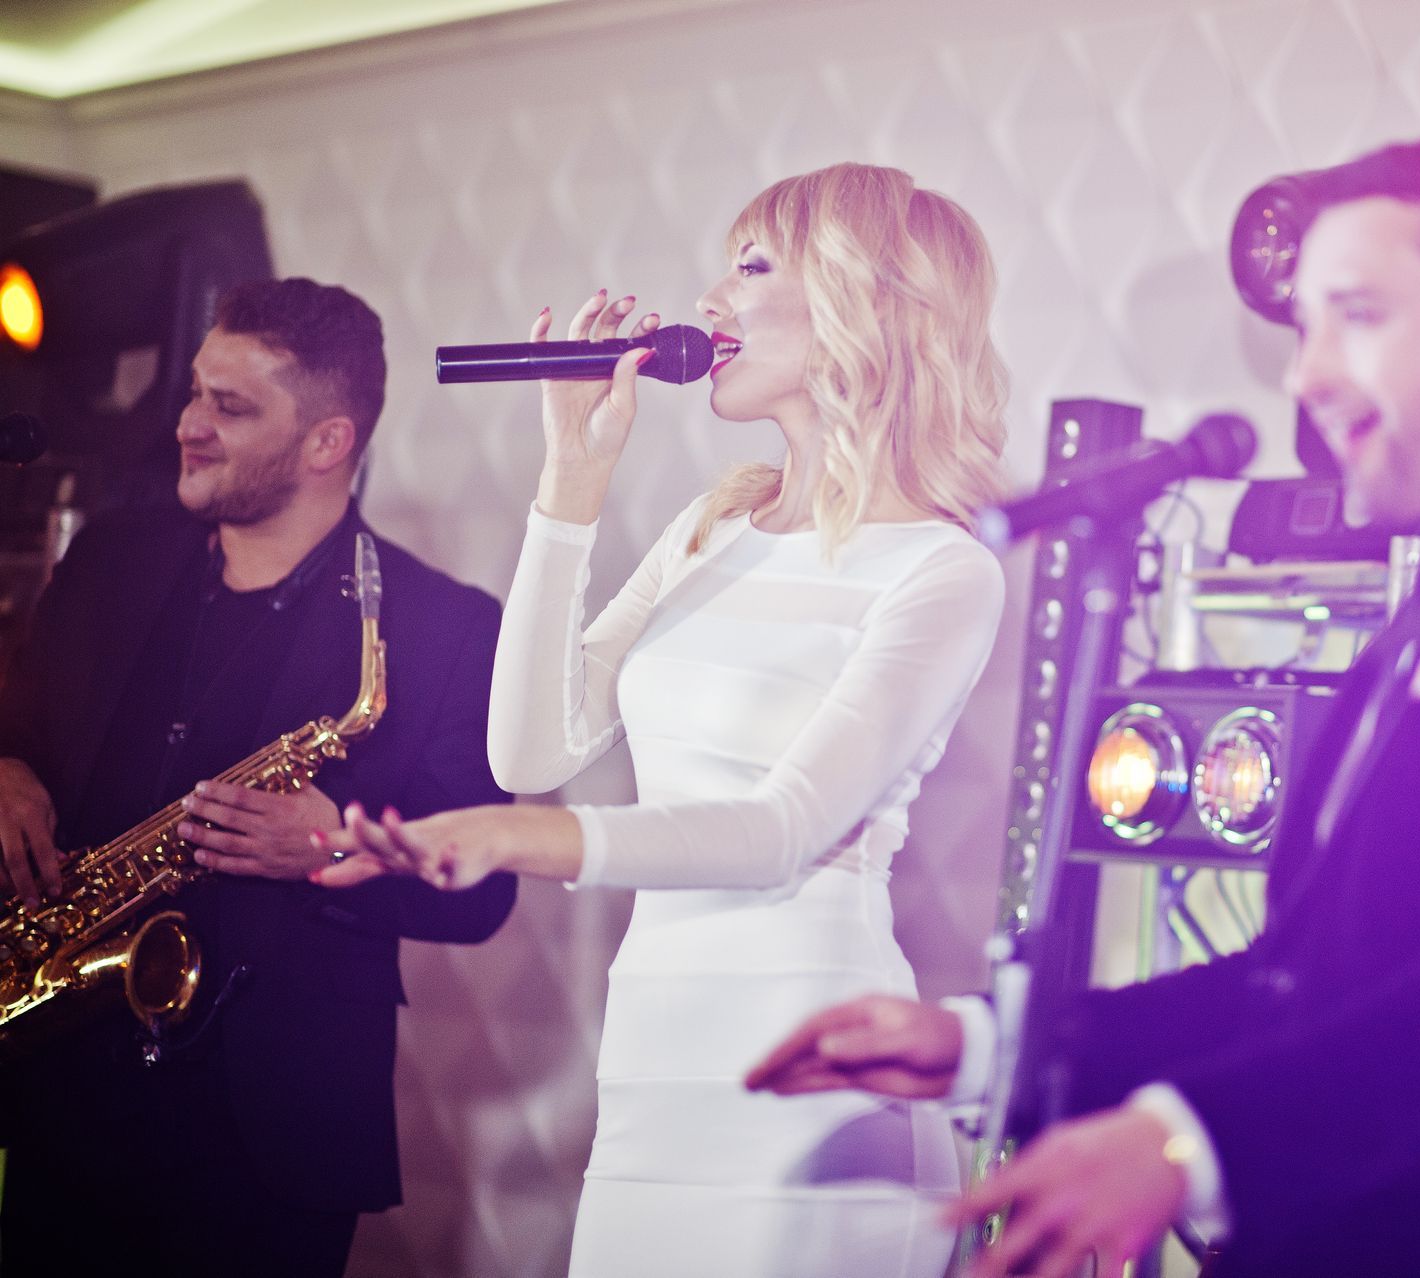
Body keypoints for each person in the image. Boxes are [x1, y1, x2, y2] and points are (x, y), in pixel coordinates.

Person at [746, 137, 1420, 1278]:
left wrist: (1185, 1142)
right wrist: (988, 1044)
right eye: (1305, 330)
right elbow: (1299, 982)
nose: (1306, 375)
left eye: (1359, 317)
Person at [317, 162, 1009, 1277]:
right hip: (649, 1068)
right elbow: (528, 750)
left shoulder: (943, 571)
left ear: (864, 300)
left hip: (813, 1076)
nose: (711, 303)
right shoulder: (714, 524)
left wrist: (510, 837)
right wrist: (570, 483)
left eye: (748, 266)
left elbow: (780, 830)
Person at [0, 278, 516, 1278]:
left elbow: (484, 892)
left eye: (230, 407)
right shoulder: (112, 556)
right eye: (196, 393)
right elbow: (14, 719)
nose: (189, 426)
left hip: (271, 1136)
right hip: (66, 1088)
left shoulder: (444, 627)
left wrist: (339, 850)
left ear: (328, 441)